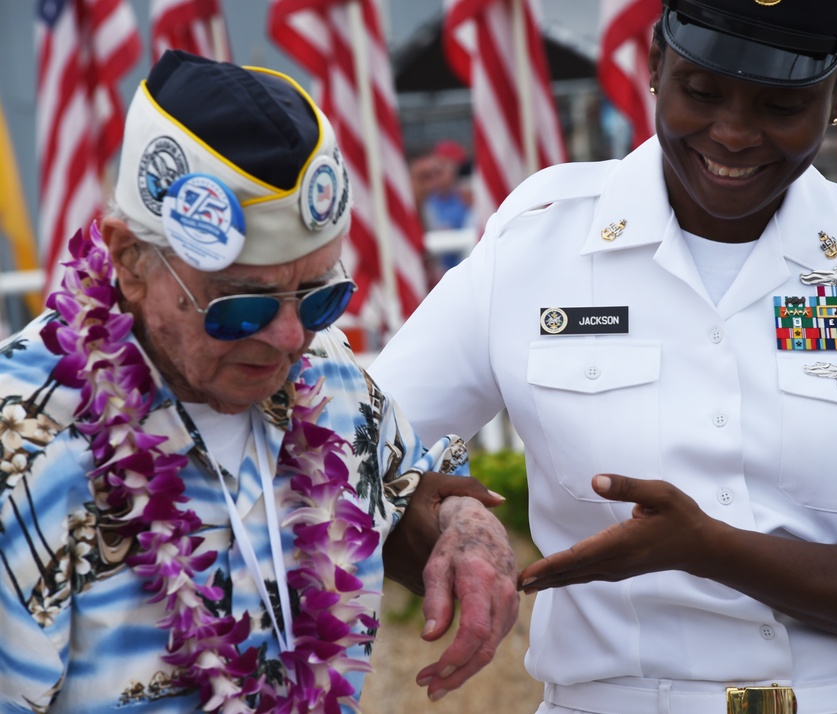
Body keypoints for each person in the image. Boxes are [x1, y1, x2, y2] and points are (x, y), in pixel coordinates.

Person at [369, 1, 837, 712]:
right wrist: (449, 525)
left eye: (781, 103)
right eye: (701, 93)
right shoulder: (537, 245)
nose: (732, 132)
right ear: (656, 66)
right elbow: (341, 452)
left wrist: (704, 547)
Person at [0, 50, 517, 713]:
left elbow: (402, 484)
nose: (290, 337)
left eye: (319, 293)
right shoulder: (28, 451)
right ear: (130, 259)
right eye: (242, 305)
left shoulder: (326, 374)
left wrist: (464, 523)